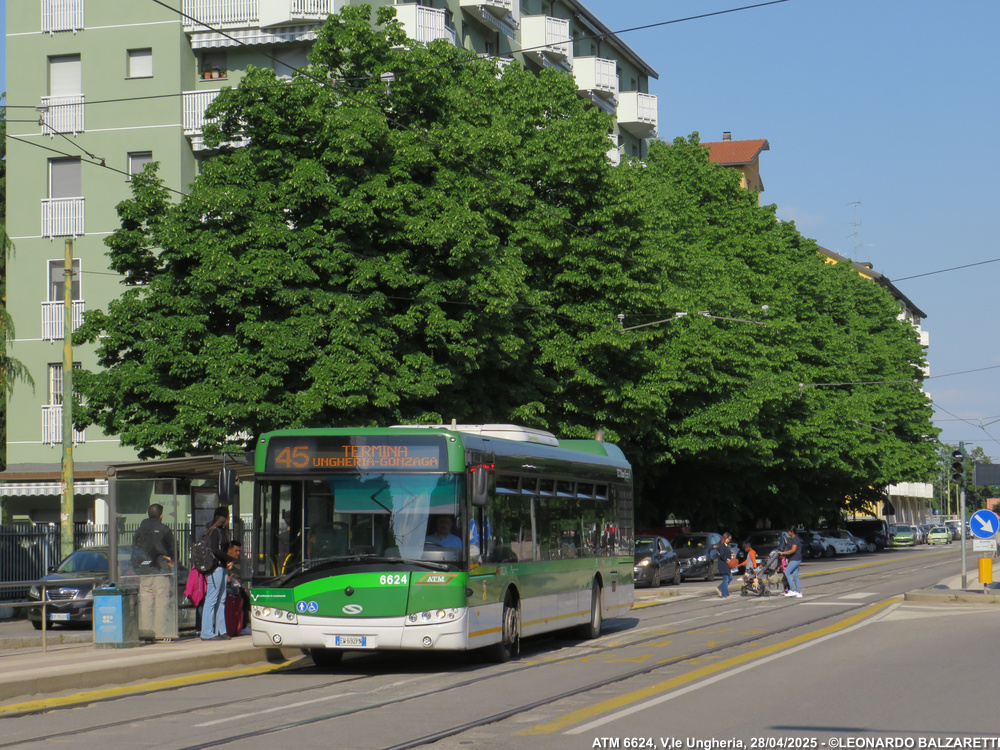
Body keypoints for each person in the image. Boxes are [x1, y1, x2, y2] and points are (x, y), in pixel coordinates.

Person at [132, 504, 176, 642]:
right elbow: (173, 550)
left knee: (146, 605)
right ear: (161, 516)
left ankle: (146, 633)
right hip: (160, 571)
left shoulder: (139, 531)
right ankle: (159, 634)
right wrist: (172, 560)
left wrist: (138, 568)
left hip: (144, 572)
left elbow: (135, 551)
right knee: (161, 604)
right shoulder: (164, 529)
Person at [200, 506, 234, 641]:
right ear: (224, 517)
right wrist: (229, 559)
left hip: (222, 567)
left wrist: (227, 561)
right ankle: (206, 632)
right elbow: (215, 550)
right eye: (228, 516)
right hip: (215, 568)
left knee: (221, 599)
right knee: (212, 599)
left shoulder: (221, 530)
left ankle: (221, 630)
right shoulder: (215, 531)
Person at [779, 525, 803, 598]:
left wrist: (782, 553)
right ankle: (798, 592)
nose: (788, 533)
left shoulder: (795, 539)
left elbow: (793, 550)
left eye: (788, 531)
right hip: (794, 559)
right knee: (795, 575)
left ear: (791, 532)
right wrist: (788, 559)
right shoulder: (792, 539)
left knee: (787, 572)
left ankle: (792, 590)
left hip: (795, 559)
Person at [713, 532, 735, 598]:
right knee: (726, 579)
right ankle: (725, 594)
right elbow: (722, 555)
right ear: (725, 538)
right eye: (729, 539)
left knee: (730, 577)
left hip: (727, 564)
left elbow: (725, 554)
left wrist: (731, 555)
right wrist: (726, 559)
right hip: (723, 564)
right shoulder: (722, 546)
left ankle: (719, 588)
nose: (729, 540)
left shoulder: (726, 545)